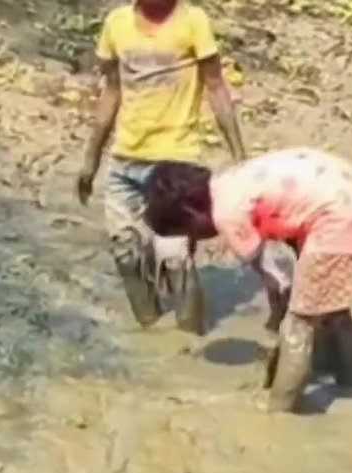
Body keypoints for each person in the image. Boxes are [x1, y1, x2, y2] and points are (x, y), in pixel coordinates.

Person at [140, 148, 352, 412]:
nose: (198, 239)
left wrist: (282, 310)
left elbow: (276, 276)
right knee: (334, 309)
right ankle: (350, 379)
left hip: (336, 217)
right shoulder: (230, 181)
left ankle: (279, 408)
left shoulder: (225, 215)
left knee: (299, 324)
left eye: (189, 232)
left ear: (191, 214)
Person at [76, 0, 246, 334]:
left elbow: (215, 87)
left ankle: (190, 342)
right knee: (126, 254)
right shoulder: (117, 23)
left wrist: (239, 155)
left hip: (175, 163)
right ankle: (149, 328)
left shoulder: (193, 21)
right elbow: (111, 92)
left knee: (176, 259)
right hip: (126, 160)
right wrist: (91, 159)